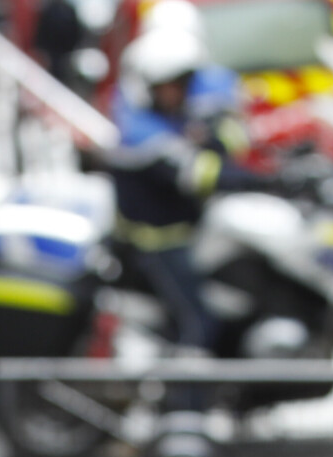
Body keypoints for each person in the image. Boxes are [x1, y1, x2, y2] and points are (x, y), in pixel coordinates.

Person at [95, 25, 260, 351]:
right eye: (170, 86)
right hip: (157, 247)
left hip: (186, 235)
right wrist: (266, 179)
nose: (179, 93)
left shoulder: (166, 114)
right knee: (200, 323)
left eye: (182, 84)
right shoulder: (142, 132)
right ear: (149, 87)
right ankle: (187, 399)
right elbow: (198, 174)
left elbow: (226, 136)